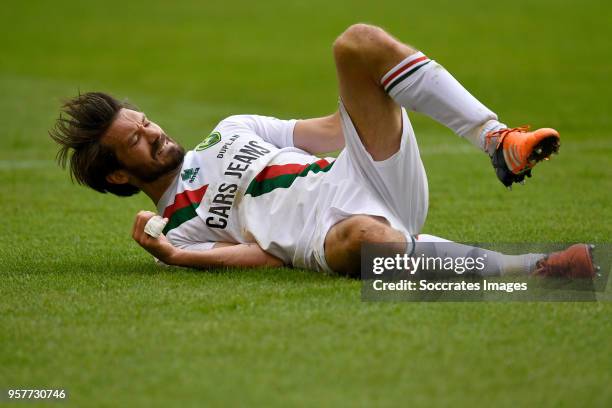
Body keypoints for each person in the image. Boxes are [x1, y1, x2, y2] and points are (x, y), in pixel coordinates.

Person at [49, 24, 596, 278]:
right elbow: (264, 256)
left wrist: (376, 89)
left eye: (146, 123)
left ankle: (498, 140)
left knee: (357, 44)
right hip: (323, 236)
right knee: (369, 238)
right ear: (120, 177)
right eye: (137, 141)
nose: (155, 134)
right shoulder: (178, 226)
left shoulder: (231, 127)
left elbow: (332, 131)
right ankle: (536, 268)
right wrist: (173, 255)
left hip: (361, 175)